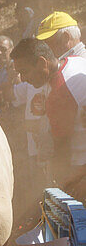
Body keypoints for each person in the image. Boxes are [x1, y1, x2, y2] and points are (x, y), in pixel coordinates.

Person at [12, 36, 86, 196]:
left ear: (42, 63)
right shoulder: (75, 61)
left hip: (79, 175)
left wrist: (60, 186)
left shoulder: (60, 93)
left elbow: (61, 153)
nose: (23, 79)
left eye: (24, 72)